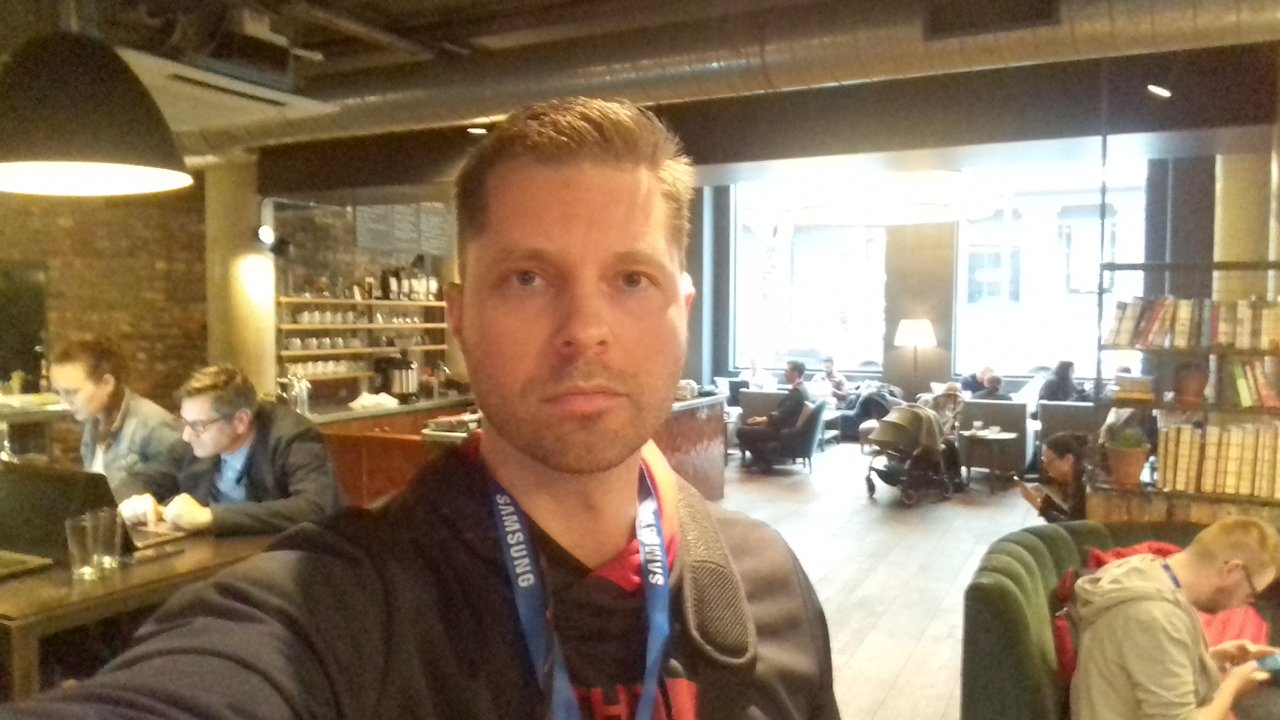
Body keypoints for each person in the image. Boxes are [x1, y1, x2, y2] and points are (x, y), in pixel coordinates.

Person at [5, 98, 838, 718]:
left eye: (631, 278)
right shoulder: (338, 611)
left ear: (681, 312)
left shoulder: (766, 591)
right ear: (460, 320)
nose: (584, 330)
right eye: (527, 278)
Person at [1070, 516, 1280, 720]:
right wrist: (1233, 684)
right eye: (1250, 594)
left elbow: (1144, 669)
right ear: (1231, 570)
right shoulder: (1154, 616)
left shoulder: (1147, 574)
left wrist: (1210, 660)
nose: (1245, 603)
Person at [117, 365, 345, 536]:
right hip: (219, 558)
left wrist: (209, 517)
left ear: (240, 421)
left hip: (296, 558)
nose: (186, 435)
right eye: (184, 422)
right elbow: (133, 482)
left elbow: (316, 507)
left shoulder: (292, 437)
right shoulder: (192, 445)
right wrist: (136, 500)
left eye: (198, 426)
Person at [48, 337, 190, 501]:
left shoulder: (154, 425)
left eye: (72, 392)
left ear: (107, 383)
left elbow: (185, 490)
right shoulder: (93, 420)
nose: (64, 401)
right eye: (59, 392)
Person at [736, 360, 811, 470]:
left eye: (786, 371)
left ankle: (762, 461)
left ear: (795, 373)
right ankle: (759, 460)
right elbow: (784, 413)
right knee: (750, 426)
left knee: (741, 431)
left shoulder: (796, 393)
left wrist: (764, 420)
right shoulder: (801, 389)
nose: (784, 373)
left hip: (781, 431)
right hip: (785, 428)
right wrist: (763, 419)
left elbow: (782, 417)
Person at [1017, 431, 1092, 523]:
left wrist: (1038, 506)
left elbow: (1071, 528)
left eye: (1048, 462)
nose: (1045, 466)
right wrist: (1046, 500)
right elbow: (1070, 515)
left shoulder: (1085, 485)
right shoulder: (1076, 480)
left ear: (1068, 460)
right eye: (1043, 461)